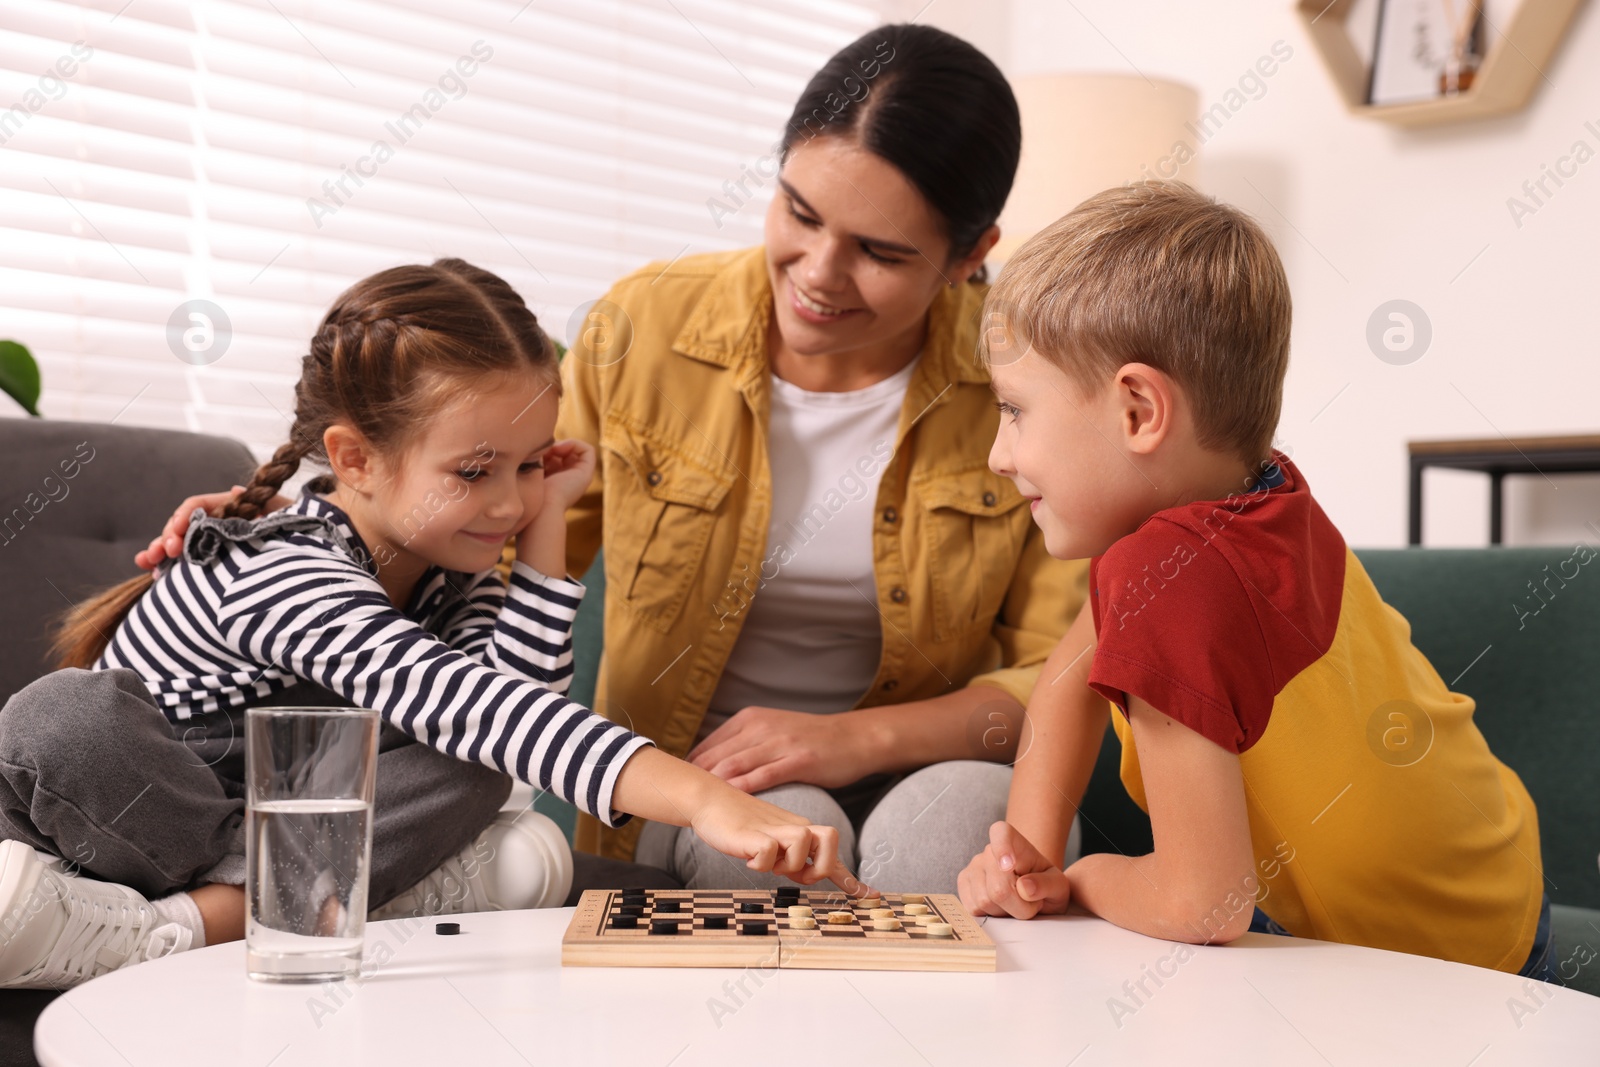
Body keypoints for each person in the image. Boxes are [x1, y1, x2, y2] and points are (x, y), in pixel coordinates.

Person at [136, 23, 1089, 896]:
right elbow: (492, 539)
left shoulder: (1026, 375)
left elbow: (1065, 665)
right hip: (698, 764)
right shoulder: (646, 326)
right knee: (773, 843)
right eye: (799, 212)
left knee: (963, 828)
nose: (818, 273)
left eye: (879, 251)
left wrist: (855, 738)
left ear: (971, 255)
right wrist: (327, 516)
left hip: (933, 755)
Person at [0, 259, 855, 991]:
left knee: (471, 769)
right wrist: (707, 801)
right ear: (355, 459)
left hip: (276, 831)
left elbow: (506, 714)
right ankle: (299, 904)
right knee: (64, 718)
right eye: (476, 470)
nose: (510, 499)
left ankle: (186, 922)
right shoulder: (288, 569)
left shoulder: (447, 564)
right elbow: (489, 711)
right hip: (123, 817)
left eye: (529, 464)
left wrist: (550, 520)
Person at [957, 181, 1551, 979]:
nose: (998, 453)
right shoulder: (1258, 494)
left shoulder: (1165, 574)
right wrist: (1022, 858)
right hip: (1497, 874)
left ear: (1137, 410)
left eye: (1015, 410)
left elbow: (1206, 903)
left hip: (1442, 954)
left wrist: (1081, 878)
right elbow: (1065, 685)